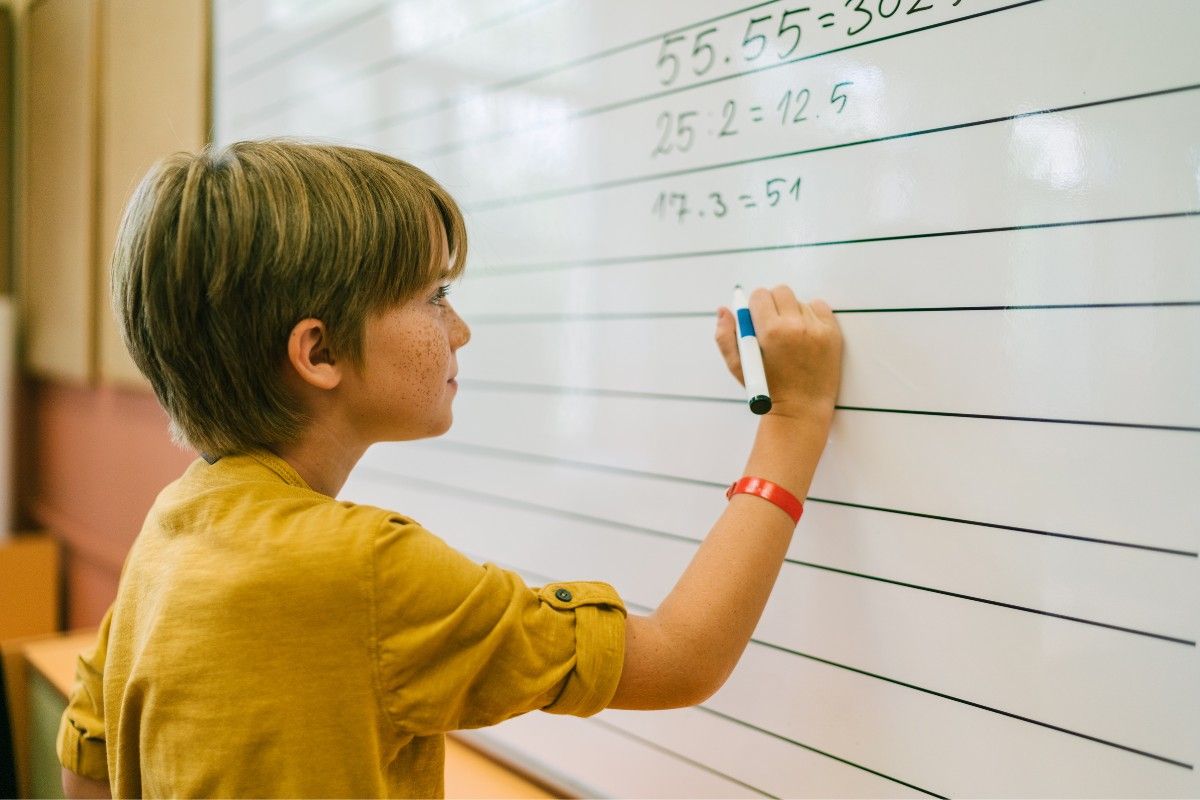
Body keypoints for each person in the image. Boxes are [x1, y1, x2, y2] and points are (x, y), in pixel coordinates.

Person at [57, 140, 842, 798]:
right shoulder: (361, 568)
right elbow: (681, 659)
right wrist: (793, 423)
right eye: (434, 296)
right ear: (320, 352)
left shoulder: (175, 526)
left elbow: (84, 761)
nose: (459, 329)